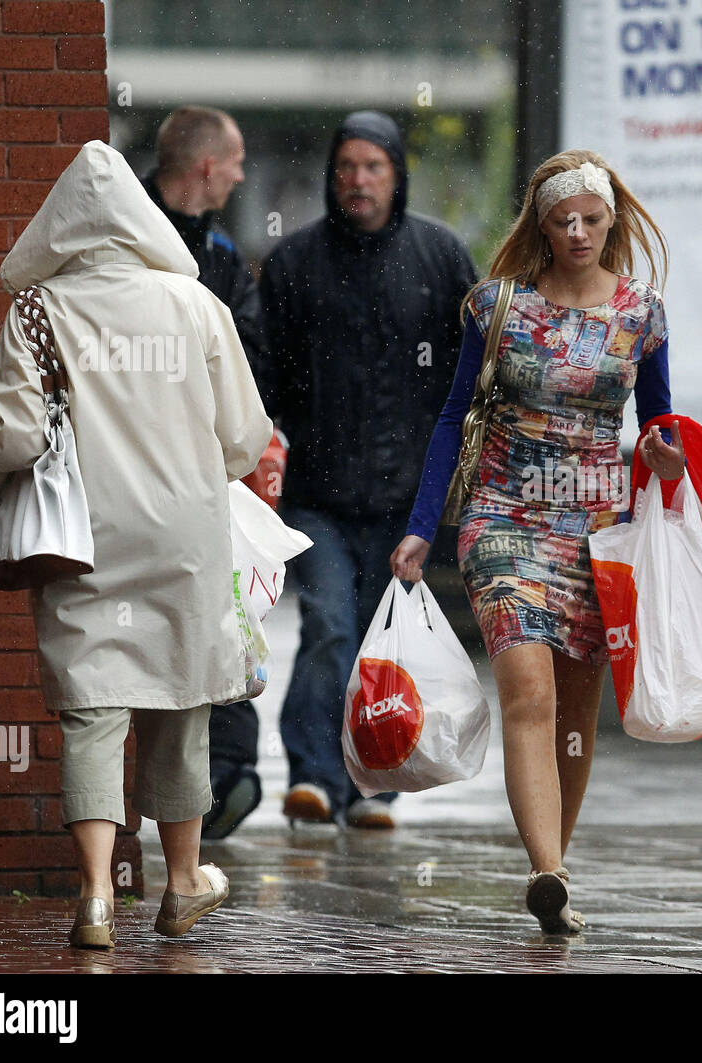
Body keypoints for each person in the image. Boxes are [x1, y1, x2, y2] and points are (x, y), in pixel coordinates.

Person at [0, 140, 272, 948]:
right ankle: (181, 883)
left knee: (95, 711)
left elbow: (9, 440)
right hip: (185, 537)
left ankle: (97, 896)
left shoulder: (39, 309)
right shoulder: (194, 304)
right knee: (182, 708)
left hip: (86, 538)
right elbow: (243, 438)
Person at [391, 150, 684, 935]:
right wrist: (424, 527)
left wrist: (663, 451)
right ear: (543, 227)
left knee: (577, 718)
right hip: (504, 519)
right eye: (564, 221)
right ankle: (546, 869)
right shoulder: (498, 309)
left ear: (611, 219)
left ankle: (556, 867)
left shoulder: (642, 315)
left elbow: (658, 417)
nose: (580, 231)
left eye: (592, 217)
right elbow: (455, 416)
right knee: (529, 692)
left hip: (595, 529)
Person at [258, 111, 477, 829]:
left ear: (396, 175)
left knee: (385, 638)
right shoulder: (293, 266)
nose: (358, 180)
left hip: (404, 501)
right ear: (332, 176)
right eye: (347, 167)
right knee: (328, 624)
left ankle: (376, 777)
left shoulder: (441, 258)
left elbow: (468, 372)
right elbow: (267, 378)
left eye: (373, 167)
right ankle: (316, 776)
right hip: (317, 493)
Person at [143, 104, 269, 840]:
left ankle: (228, 776)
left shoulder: (220, 254)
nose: (244, 173)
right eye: (237, 160)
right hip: (145, 474)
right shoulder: (134, 247)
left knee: (221, 621)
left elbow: (252, 361)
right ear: (204, 166)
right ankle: (186, 819)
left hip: (205, 477)